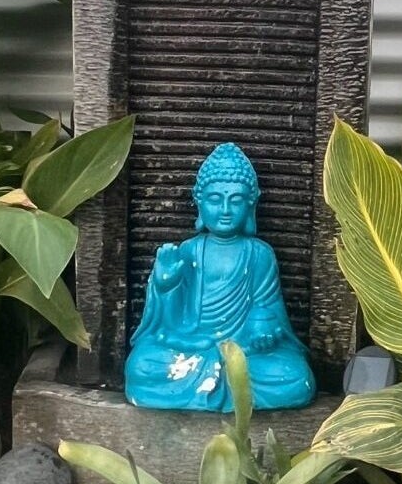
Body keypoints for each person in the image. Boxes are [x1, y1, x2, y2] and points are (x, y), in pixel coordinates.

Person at [124, 143, 315, 411]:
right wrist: (165, 285)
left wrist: (263, 329)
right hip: (192, 347)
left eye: (236, 200)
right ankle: (228, 388)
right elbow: (168, 323)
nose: (225, 209)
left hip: (243, 350)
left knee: (294, 377)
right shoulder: (189, 250)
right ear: (198, 202)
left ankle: (214, 385)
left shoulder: (259, 254)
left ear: (251, 204)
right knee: (142, 366)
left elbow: (268, 311)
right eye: (215, 199)